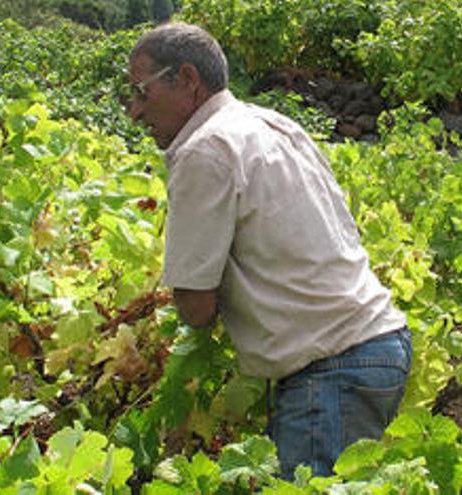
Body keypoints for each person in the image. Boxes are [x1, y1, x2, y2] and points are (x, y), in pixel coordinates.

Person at [125, 22, 411, 479]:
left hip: (330, 370)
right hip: (376, 348)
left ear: (187, 80)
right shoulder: (272, 124)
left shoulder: (205, 149)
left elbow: (196, 306)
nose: (135, 111)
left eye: (141, 92)